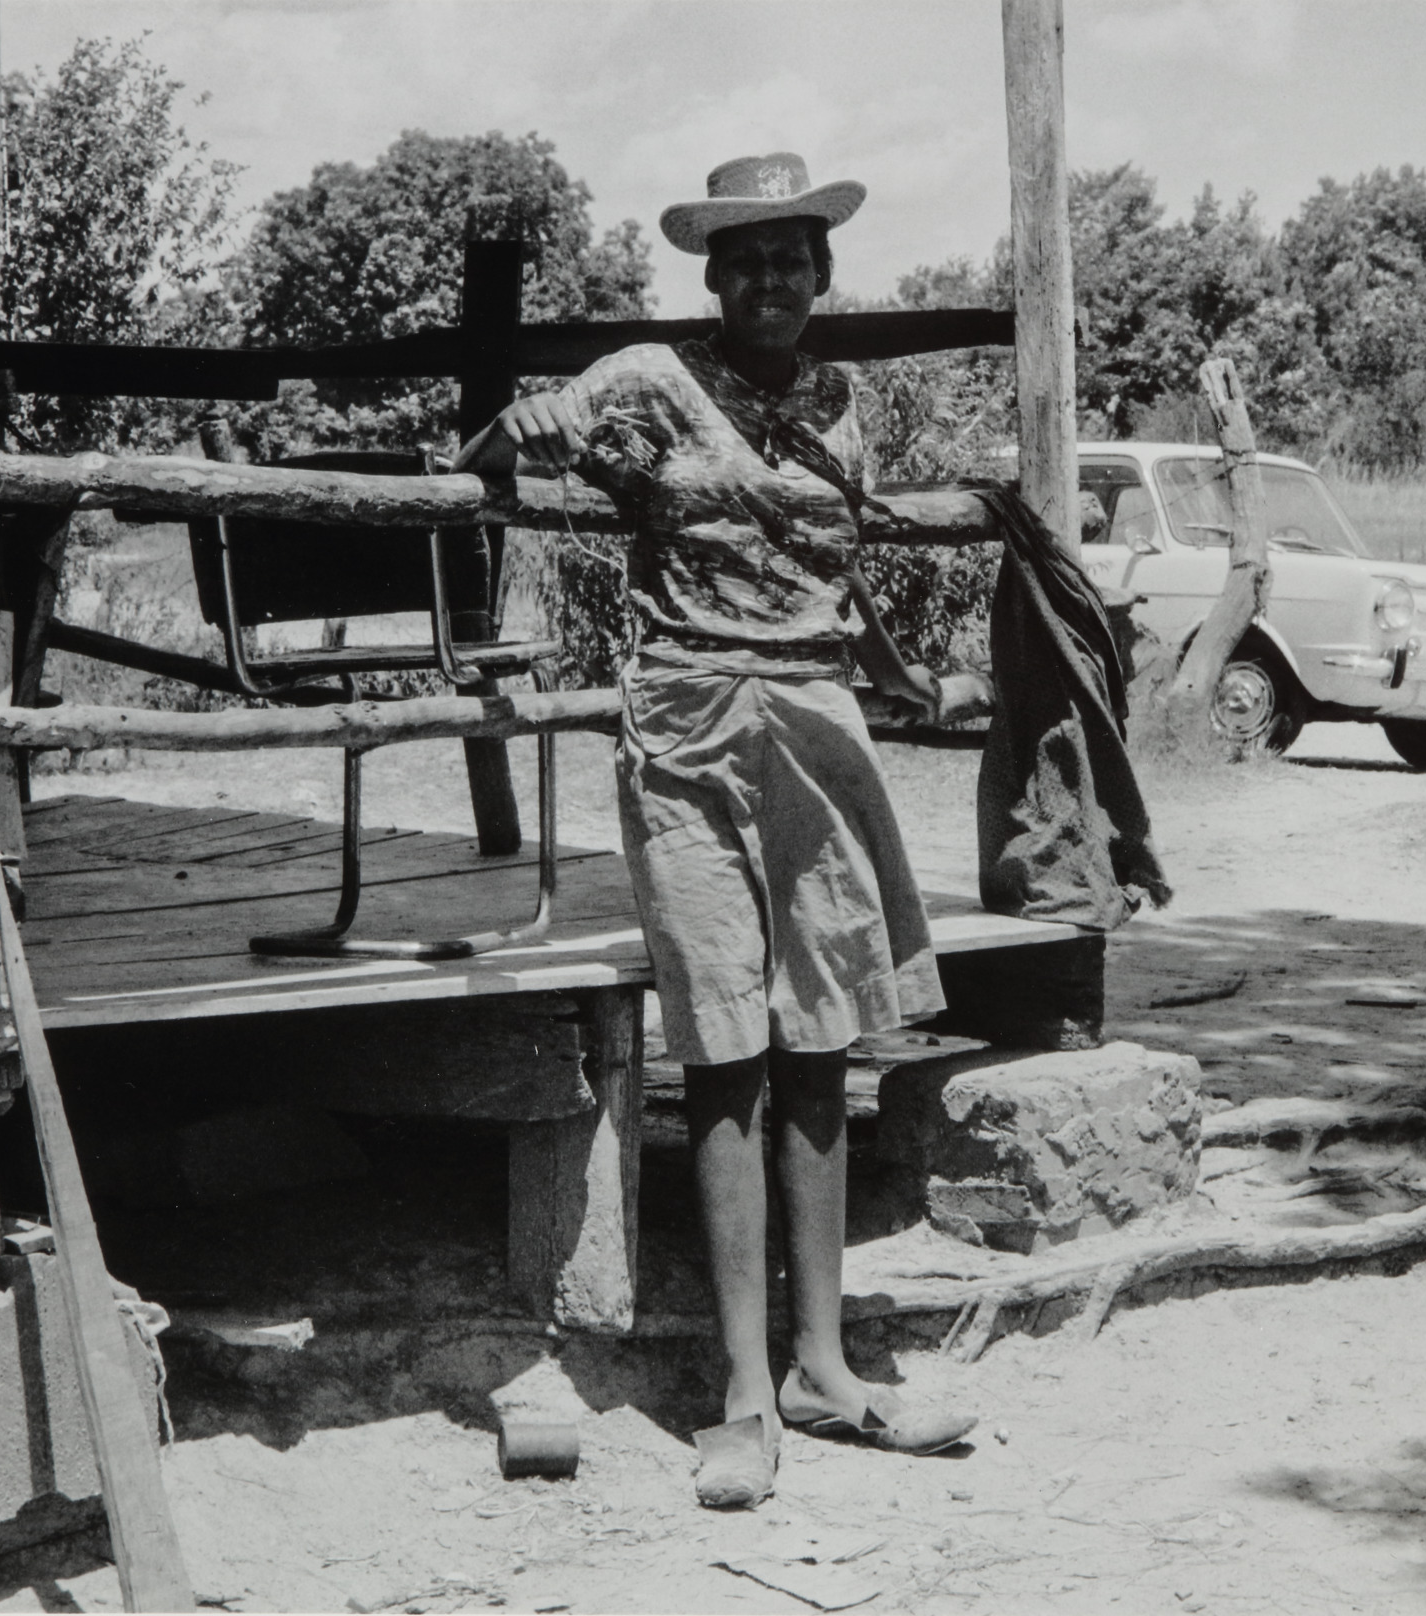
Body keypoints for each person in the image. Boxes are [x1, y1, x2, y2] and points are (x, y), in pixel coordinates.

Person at [456, 153, 977, 1509]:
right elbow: (504, 444)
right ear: (711, 275)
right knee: (728, 1051)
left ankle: (825, 1362)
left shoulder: (843, 404)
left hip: (817, 732)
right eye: (746, 260)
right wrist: (531, 455)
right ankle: (745, 1393)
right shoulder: (646, 381)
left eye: (792, 259)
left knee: (822, 1049)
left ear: (823, 275)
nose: (771, 281)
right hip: (685, 735)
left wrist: (908, 683)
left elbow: (831, 572)